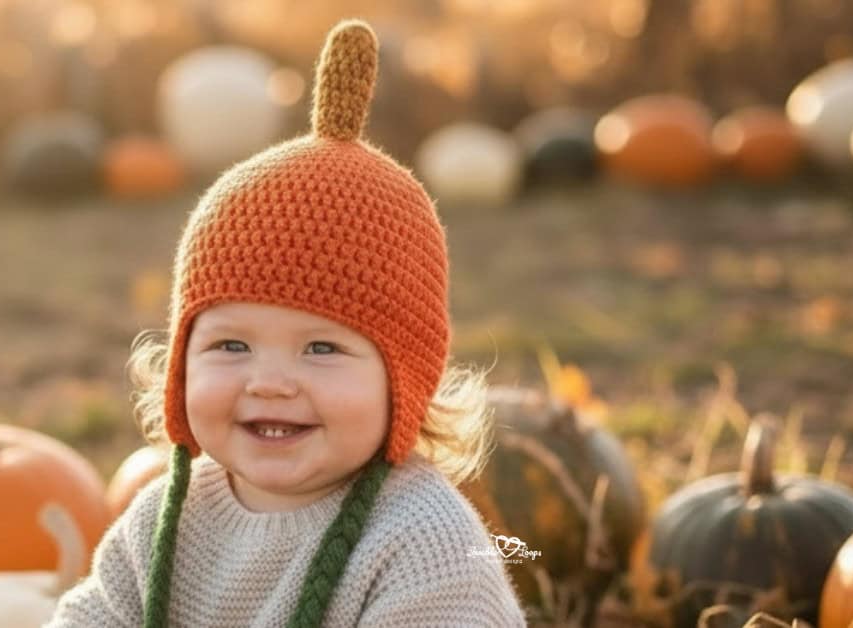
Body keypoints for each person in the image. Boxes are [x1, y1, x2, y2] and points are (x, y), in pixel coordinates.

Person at [47, 19, 527, 628]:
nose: (269, 381)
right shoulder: (166, 520)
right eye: (231, 344)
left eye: (322, 347)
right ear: (180, 365)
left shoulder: (425, 542)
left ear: (405, 376)